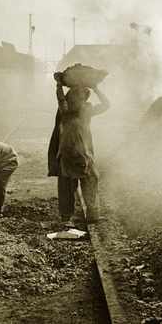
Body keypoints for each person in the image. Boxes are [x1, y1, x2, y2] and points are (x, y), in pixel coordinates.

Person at [53, 74, 110, 226]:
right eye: (74, 98)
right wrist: (59, 84)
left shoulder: (87, 113)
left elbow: (106, 105)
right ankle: (66, 218)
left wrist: (96, 89)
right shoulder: (66, 113)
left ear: (84, 101)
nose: (77, 101)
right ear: (70, 101)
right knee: (66, 189)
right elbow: (60, 99)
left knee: (92, 183)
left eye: (81, 98)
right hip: (68, 157)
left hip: (85, 157)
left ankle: (93, 215)